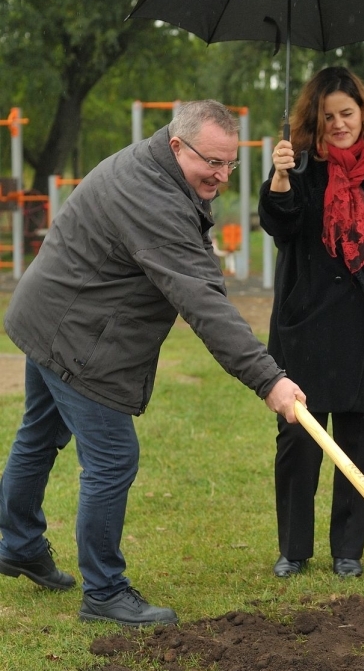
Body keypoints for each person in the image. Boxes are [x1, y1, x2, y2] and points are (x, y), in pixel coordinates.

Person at [0, 101, 305, 626]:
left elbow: (192, 267)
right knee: (113, 458)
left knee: (38, 434)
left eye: (229, 163)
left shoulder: (154, 165)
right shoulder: (152, 198)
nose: (221, 175)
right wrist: (269, 380)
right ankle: (104, 592)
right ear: (177, 146)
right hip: (76, 335)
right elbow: (201, 300)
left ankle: (19, 544)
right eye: (211, 162)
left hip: (51, 315)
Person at [259, 66, 364, 580]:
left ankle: (348, 551)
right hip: (305, 325)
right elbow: (280, 227)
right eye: (328, 116)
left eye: (347, 113)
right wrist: (281, 179)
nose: (338, 124)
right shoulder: (299, 166)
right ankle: (294, 550)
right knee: (298, 442)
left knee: (359, 441)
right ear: (314, 120)